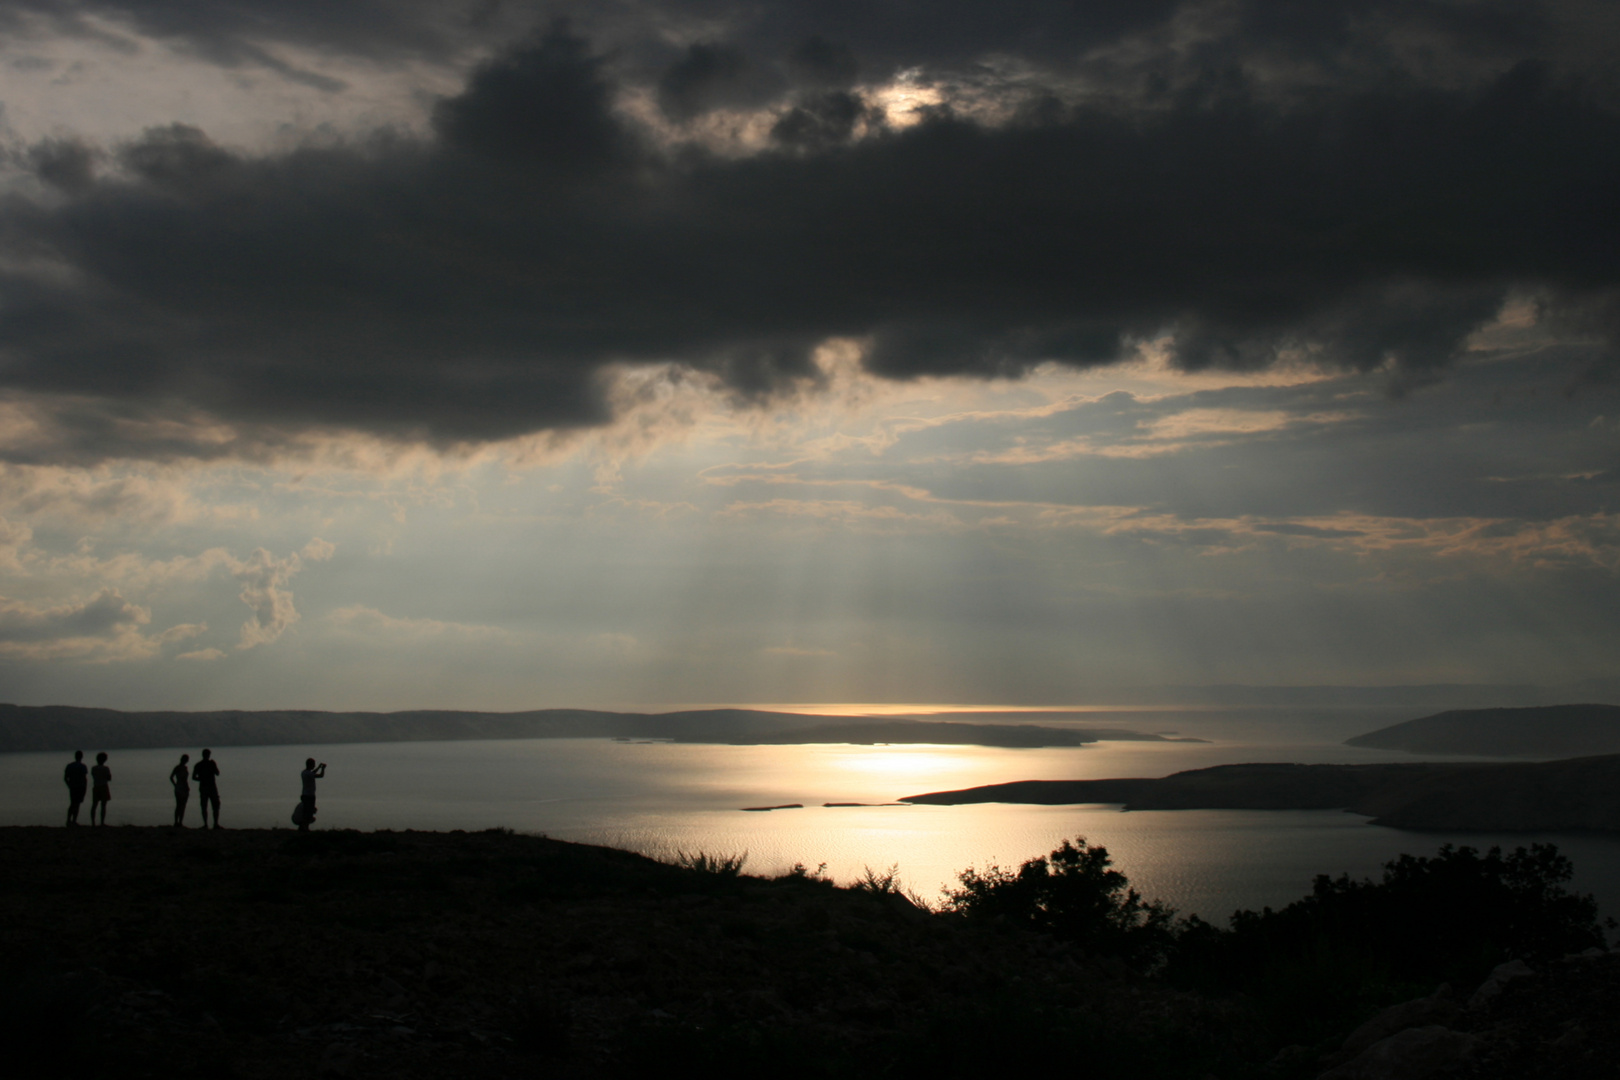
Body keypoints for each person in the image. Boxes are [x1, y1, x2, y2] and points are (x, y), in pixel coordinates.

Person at [192, 748, 221, 829]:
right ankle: (214, 824)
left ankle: (207, 824)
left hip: (205, 787)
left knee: (206, 806)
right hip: (210, 787)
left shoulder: (199, 765)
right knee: (214, 806)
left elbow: (194, 777)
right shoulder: (210, 764)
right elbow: (217, 773)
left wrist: (201, 779)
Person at [297, 758, 326, 831]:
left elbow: (313, 773)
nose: (314, 765)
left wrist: (319, 767)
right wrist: (323, 769)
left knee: (306, 812)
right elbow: (321, 775)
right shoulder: (309, 774)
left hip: (305, 794)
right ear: (310, 764)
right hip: (310, 796)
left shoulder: (304, 772)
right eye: (313, 764)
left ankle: (303, 827)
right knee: (309, 813)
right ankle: (305, 828)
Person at [63, 751, 89, 826]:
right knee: (77, 804)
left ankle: (69, 820)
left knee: (72, 803)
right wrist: (85, 788)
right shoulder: (83, 766)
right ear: (81, 757)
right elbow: (84, 779)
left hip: (73, 787)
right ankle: (73, 821)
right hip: (80, 787)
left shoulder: (70, 766)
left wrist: (69, 785)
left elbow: (65, 778)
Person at [89, 752, 111, 826]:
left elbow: (93, 776)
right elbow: (109, 778)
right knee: (103, 805)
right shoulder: (106, 769)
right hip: (104, 786)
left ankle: (93, 822)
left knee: (94, 805)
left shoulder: (93, 768)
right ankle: (102, 822)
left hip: (96, 787)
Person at [169, 753, 191, 827]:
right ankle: (177, 822)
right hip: (180, 788)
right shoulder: (178, 768)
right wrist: (175, 785)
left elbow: (172, 777)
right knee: (179, 805)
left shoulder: (184, 768)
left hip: (183, 788)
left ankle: (179, 822)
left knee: (181, 806)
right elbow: (171, 777)